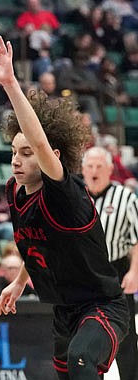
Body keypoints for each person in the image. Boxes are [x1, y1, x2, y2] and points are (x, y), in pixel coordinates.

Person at [0, 35, 129, 379]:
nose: (17, 160)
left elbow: (39, 139)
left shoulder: (64, 194)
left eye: (27, 153)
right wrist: (19, 282)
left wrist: (11, 84)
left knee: (81, 359)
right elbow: (36, 243)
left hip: (102, 307)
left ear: (52, 156)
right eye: (14, 152)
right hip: (63, 310)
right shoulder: (14, 191)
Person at [81, 146, 138, 380]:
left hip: (116, 270)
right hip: (84, 272)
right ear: (82, 169)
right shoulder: (76, 196)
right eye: (90, 166)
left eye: (99, 166)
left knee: (124, 335)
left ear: (110, 170)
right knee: (87, 333)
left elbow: (137, 239)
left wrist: (135, 272)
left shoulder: (126, 197)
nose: (94, 171)